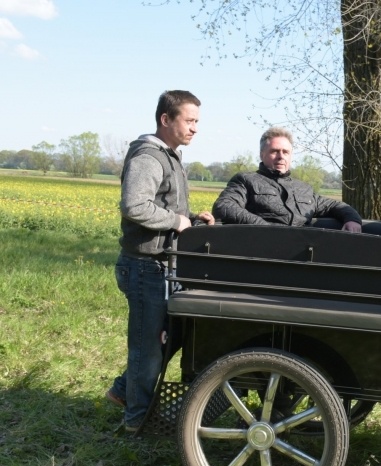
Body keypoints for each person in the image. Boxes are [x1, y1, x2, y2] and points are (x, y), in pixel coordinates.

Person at [106, 90, 215, 431]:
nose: (195, 128)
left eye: (198, 121)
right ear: (165, 119)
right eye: (190, 120)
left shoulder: (171, 156)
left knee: (175, 333)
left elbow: (164, 206)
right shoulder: (148, 157)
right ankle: (136, 422)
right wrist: (175, 222)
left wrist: (191, 219)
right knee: (148, 348)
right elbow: (134, 205)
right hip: (145, 267)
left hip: (162, 266)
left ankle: (125, 390)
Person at [212, 127, 362, 231]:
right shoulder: (246, 180)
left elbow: (335, 206)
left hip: (303, 252)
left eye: (286, 152)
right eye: (274, 151)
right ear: (262, 154)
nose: (281, 156)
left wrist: (352, 219)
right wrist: (265, 228)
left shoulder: (304, 189)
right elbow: (224, 206)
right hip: (262, 250)